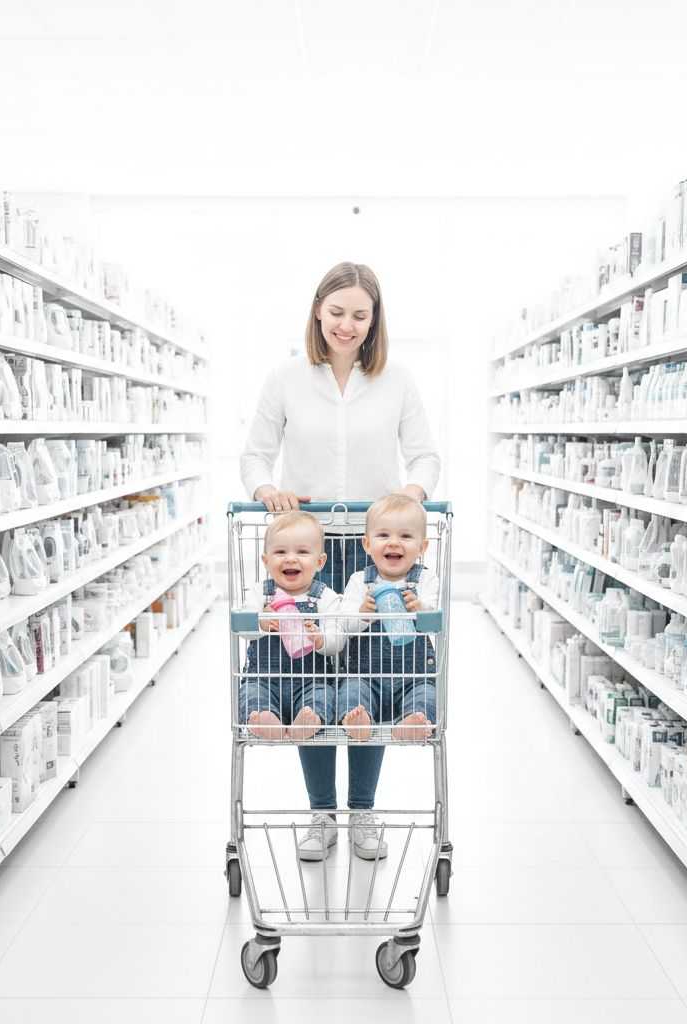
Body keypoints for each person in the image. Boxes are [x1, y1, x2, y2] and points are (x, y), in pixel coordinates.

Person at [240, 260, 440, 862]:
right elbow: (253, 457)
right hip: (302, 553)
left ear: (375, 318)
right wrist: (265, 492)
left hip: (382, 554)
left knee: (369, 682)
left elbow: (426, 456)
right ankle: (321, 815)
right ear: (317, 312)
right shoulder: (285, 378)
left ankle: (363, 815)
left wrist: (413, 496)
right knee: (310, 681)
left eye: (359, 314)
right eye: (336, 313)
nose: (346, 325)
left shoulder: (398, 380)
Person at [339, 492, 438, 750]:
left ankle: (411, 722)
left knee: (427, 695)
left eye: (405, 536)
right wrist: (362, 613)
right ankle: (359, 720)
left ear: (422, 547)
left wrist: (421, 609)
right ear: (367, 545)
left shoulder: (426, 580)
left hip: (414, 676)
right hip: (365, 674)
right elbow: (344, 624)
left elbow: (437, 622)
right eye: (383, 535)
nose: (394, 542)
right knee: (350, 691)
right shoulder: (358, 581)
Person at [237, 511, 345, 742]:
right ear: (266, 561)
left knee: (324, 695)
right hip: (263, 679)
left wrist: (321, 639)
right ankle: (265, 719)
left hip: (311, 680)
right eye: (280, 552)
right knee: (251, 694)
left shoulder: (326, 597)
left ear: (319, 562)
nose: (290, 559)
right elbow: (243, 628)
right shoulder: (260, 594)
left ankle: (310, 718)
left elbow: (338, 638)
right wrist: (261, 622)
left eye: (302, 552)